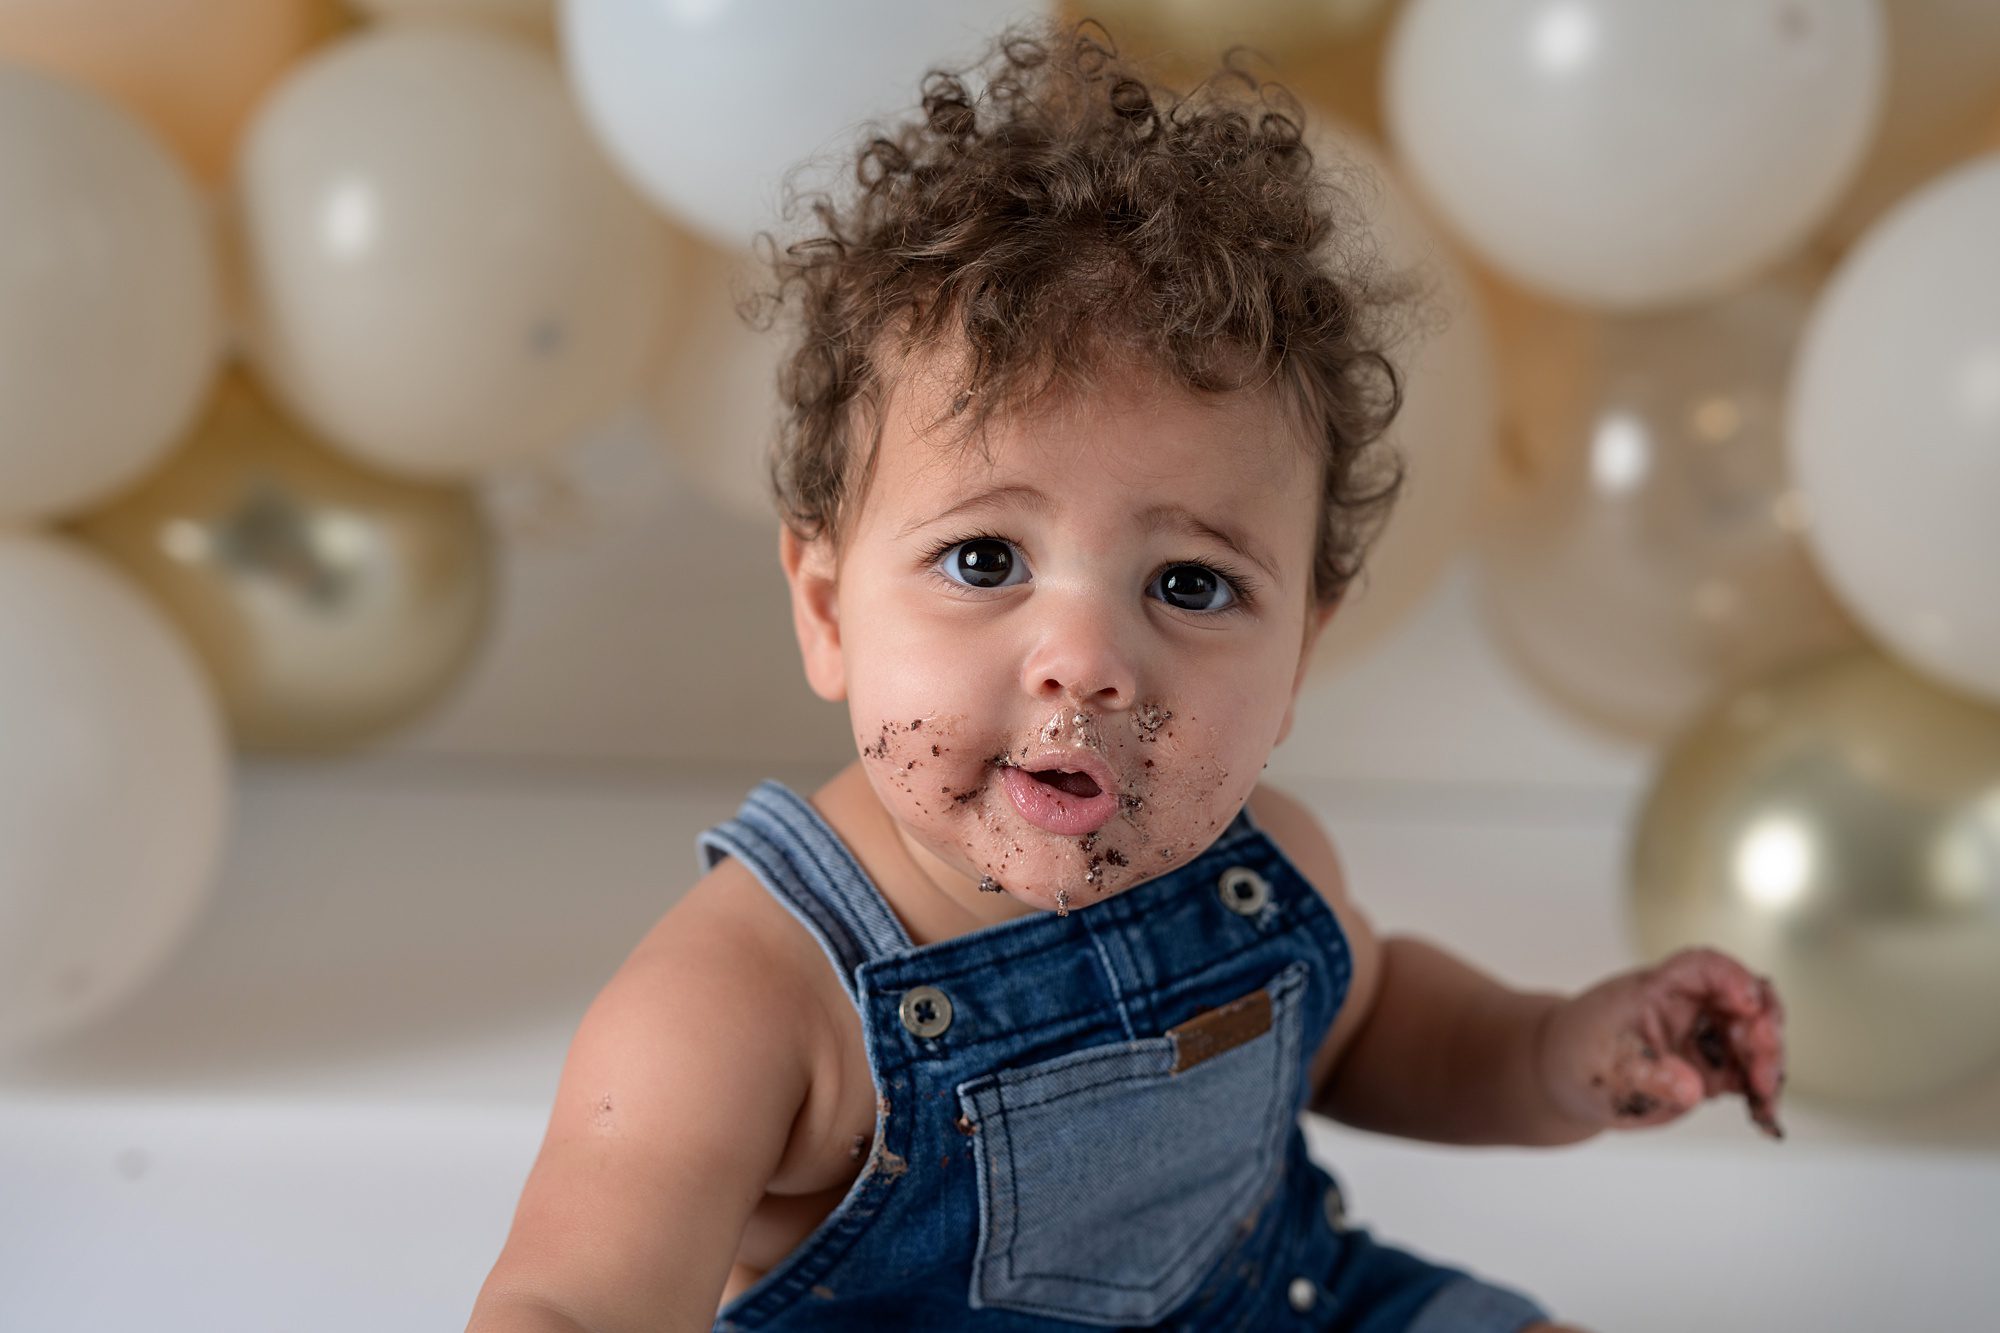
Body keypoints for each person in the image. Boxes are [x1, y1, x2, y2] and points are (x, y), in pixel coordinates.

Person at [467, 17, 1787, 1332]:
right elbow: (574, 1297)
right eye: (985, 559)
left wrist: (1563, 1054)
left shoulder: (1266, 870)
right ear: (825, 607)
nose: (1089, 663)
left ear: (1298, 661)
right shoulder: (739, 1004)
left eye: (1192, 584)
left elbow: (1378, 1029)